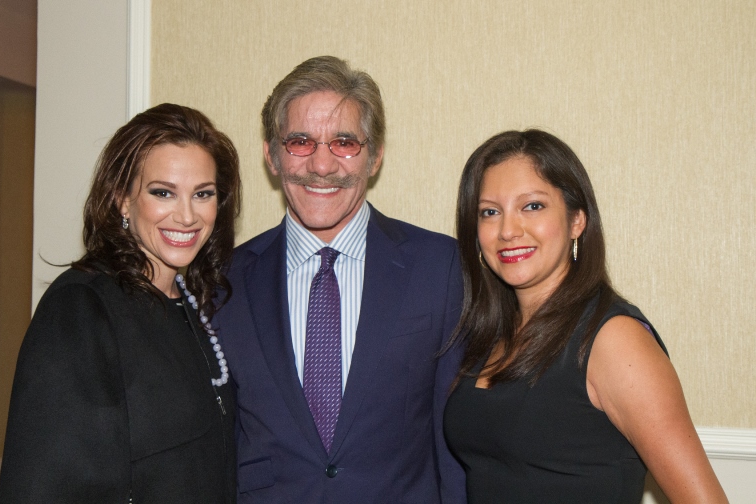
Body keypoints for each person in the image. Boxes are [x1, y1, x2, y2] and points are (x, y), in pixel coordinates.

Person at [212, 56, 466, 503]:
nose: (322, 165)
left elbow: (455, 440)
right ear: (272, 155)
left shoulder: (439, 267)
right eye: (300, 142)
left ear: (375, 156)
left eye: (344, 142)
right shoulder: (224, 281)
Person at [443, 129, 728, 503]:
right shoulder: (492, 333)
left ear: (577, 220)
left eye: (532, 206)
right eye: (490, 212)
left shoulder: (615, 339)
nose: (508, 230)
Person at [0, 103, 241, 503]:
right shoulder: (82, 308)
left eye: (203, 194)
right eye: (163, 192)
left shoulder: (193, 304)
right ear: (122, 200)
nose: (187, 216)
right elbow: (44, 484)